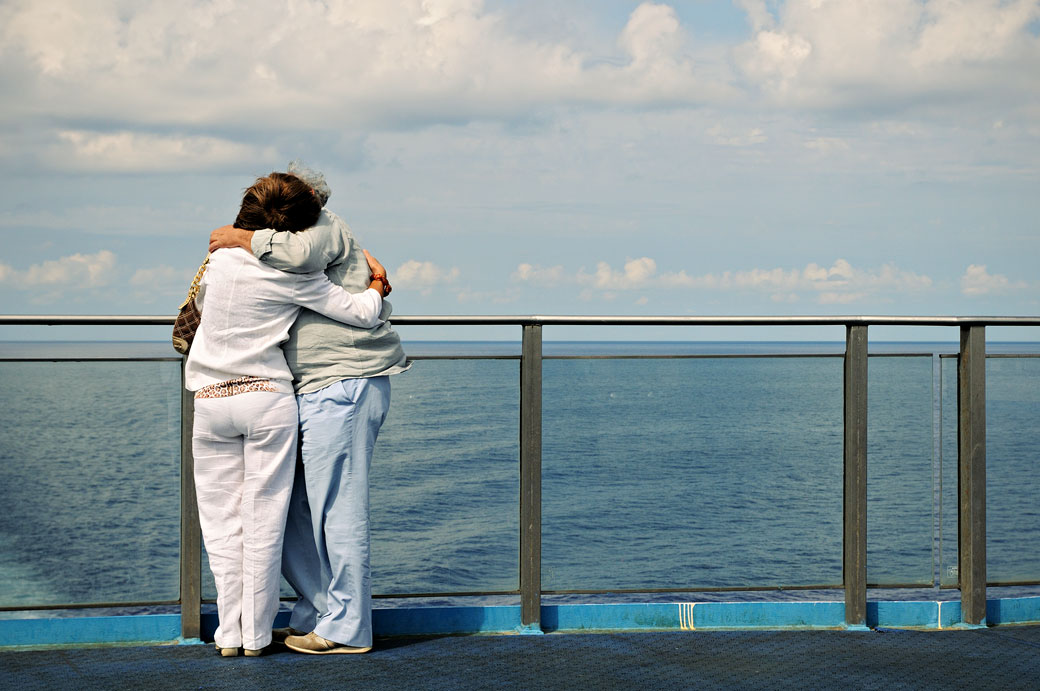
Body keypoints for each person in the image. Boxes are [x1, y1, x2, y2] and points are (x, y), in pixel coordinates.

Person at [186, 172, 393, 657]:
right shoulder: (291, 273)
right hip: (272, 397)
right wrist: (378, 288)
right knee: (276, 517)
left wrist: (238, 238)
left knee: (225, 526)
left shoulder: (223, 262)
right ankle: (278, 629)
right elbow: (359, 310)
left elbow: (202, 306)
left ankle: (235, 635)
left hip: (215, 397)